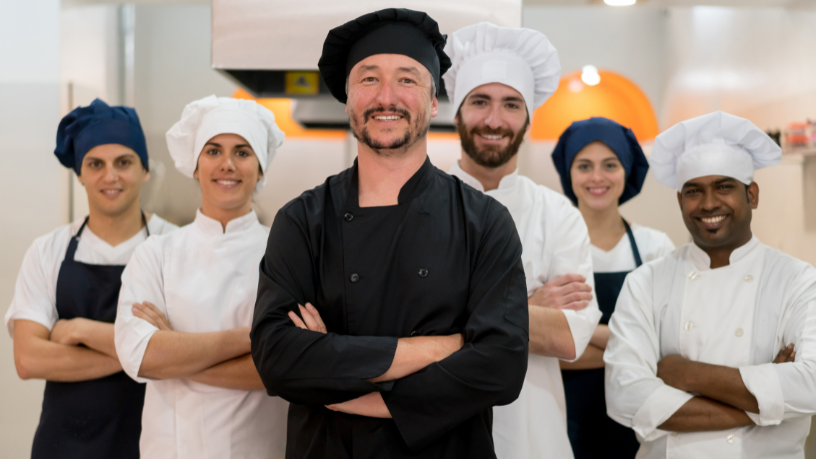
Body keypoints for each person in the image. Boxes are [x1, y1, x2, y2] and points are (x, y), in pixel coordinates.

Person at [250, 9, 529, 459]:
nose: (386, 97)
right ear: (347, 100)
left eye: (407, 79)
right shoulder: (301, 221)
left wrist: (341, 377)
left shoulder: (484, 221)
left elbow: (502, 367)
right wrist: (441, 349)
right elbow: (277, 359)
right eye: (368, 78)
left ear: (433, 101)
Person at [604, 111, 816, 458]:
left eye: (724, 186)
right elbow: (625, 396)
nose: (708, 203)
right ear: (680, 201)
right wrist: (764, 402)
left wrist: (687, 373)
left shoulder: (797, 280)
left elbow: (810, 385)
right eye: (694, 191)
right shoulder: (646, 282)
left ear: (752, 195)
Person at [442, 22, 601, 459]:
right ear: (457, 113)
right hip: (439, 433)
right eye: (479, 101)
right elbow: (399, 325)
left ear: (528, 118)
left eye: (511, 104)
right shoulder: (418, 206)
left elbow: (568, 338)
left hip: (535, 438)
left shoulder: (558, 215)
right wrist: (529, 306)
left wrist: (453, 315)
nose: (494, 120)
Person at [114, 95, 288, 459]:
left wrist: (176, 352)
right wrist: (253, 337)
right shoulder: (156, 254)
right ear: (195, 166)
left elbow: (283, 367)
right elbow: (141, 357)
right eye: (213, 151)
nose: (227, 164)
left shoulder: (286, 255)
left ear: (260, 169)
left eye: (242, 152)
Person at [5, 99, 177, 459]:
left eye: (124, 162)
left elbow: (188, 350)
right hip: (62, 446)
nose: (110, 176)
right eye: (95, 164)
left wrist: (80, 331)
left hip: (152, 445)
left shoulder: (175, 246)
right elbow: (29, 359)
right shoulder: (47, 251)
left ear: (145, 170)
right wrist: (149, 356)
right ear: (80, 174)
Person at [552, 117, 675, 458]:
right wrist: (631, 346)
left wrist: (575, 333)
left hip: (641, 422)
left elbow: (665, 348)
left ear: (626, 171)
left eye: (610, 165)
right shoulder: (550, 250)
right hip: (563, 418)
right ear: (569, 173)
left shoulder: (655, 248)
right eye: (584, 166)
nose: (597, 177)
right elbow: (538, 351)